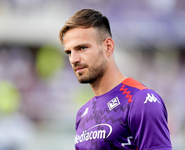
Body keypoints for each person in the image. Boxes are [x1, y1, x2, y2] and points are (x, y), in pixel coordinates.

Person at [59, 9, 172, 150]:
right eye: (69, 52)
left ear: (108, 46)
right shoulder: (82, 114)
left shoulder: (140, 101)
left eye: (82, 48)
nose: (74, 59)